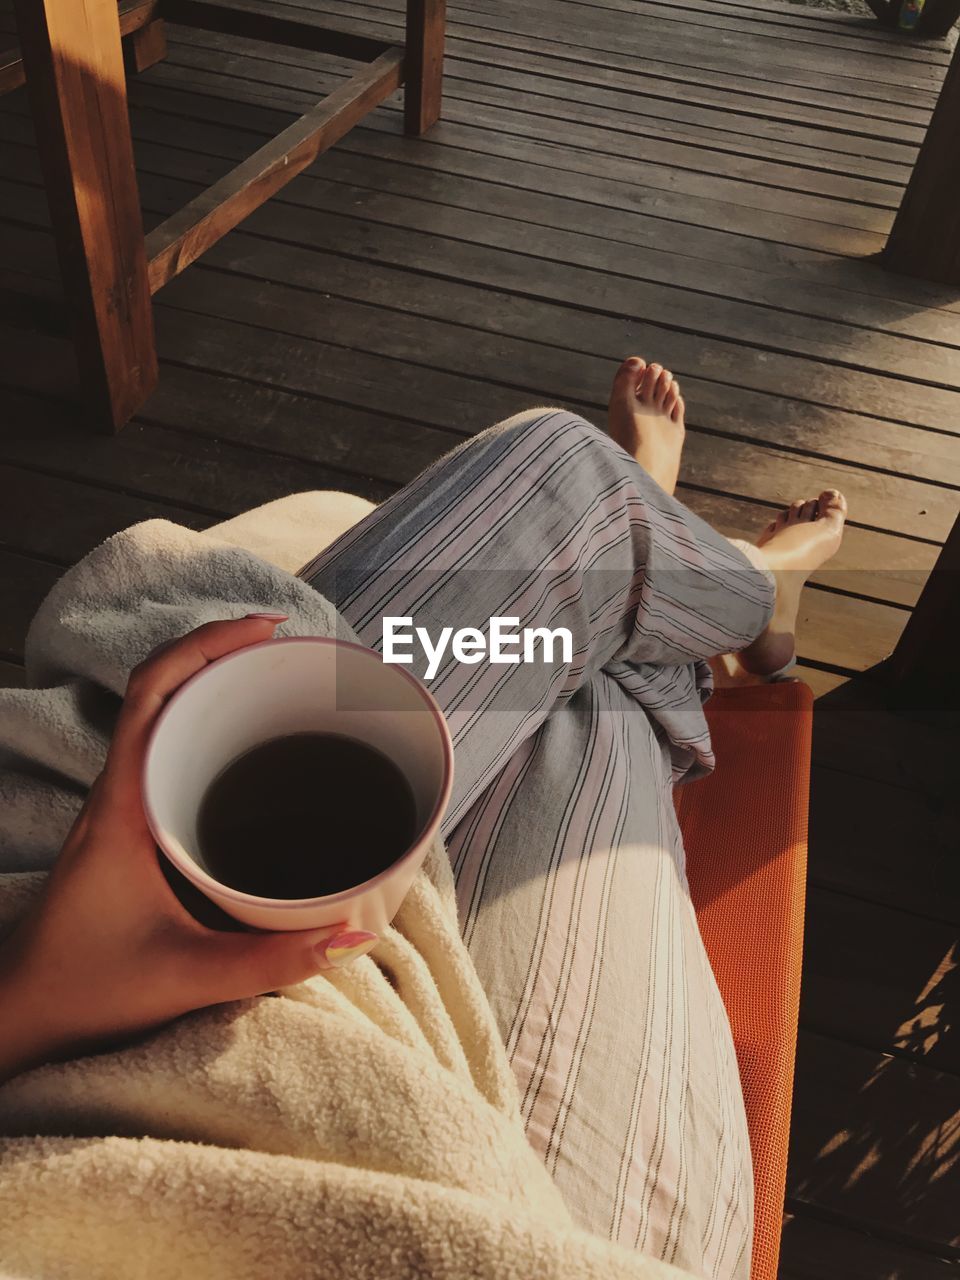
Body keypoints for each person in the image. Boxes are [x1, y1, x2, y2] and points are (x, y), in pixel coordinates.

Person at [0, 357, 845, 1280]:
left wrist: (25, 1012)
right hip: (521, 1222)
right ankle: (744, 586)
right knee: (574, 521)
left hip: (63, 1021)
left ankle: (682, 579)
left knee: (562, 644)